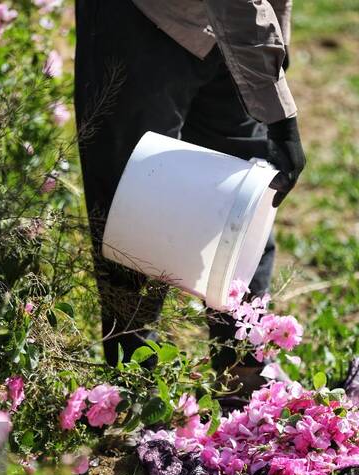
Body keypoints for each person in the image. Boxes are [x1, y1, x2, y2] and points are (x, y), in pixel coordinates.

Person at [74, 0, 306, 376]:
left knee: (244, 199)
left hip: (236, 24)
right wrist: (280, 116)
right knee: (137, 205)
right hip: (141, 17)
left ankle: (245, 371)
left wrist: (272, 57)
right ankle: (133, 388)